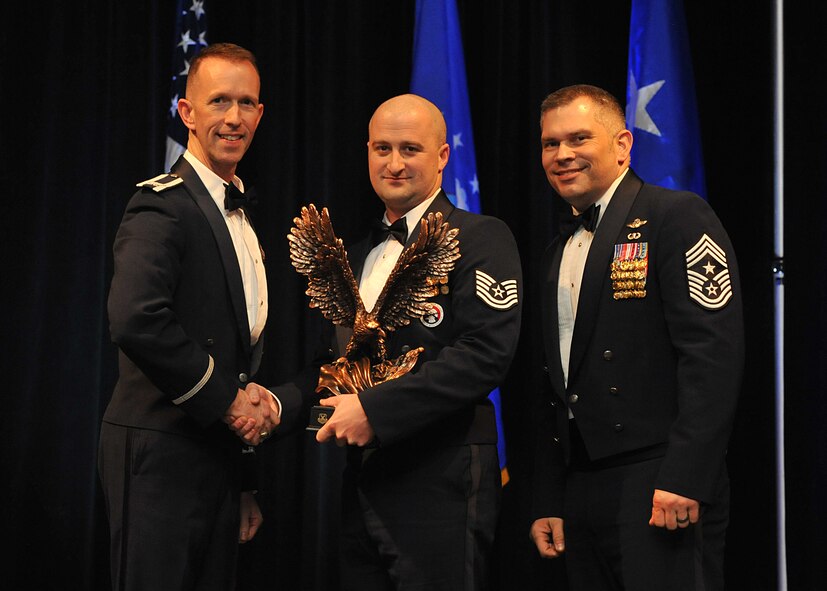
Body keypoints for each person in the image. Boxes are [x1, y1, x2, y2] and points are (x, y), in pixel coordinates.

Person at [528, 84, 744, 590]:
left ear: (623, 144)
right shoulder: (556, 251)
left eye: (579, 138)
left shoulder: (677, 217)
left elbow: (713, 356)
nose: (562, 155)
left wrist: (685, 475)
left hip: (659, 477)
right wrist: (550, 497)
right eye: (550, 143)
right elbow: (550, 383)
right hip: (581, 483)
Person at [99, 43, 294, 591]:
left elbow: (241, 353)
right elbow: (135, 318)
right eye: (219, 102)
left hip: (216, 460)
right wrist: (228, 403)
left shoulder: (243, 213)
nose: (234, 117)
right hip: (160, 453)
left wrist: (245, 478)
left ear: (260, 114)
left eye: (247, 103)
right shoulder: (162, 204)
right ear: (187, 113)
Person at [312, 93, 522, 590]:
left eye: (410, 149)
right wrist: (273, 407)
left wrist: (374, 411)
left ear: (443, 156)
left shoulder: (481, 237)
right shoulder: (356, 253)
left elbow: (484, 355)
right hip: (361, 489)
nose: (394, 163)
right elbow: (337, 368)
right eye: (382, 148)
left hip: (442, 486)